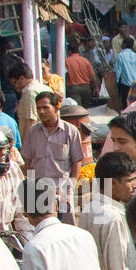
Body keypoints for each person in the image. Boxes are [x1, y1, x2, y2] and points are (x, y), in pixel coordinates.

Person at [81, 150, 136, 270]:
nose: (135, 185)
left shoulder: (89, 209)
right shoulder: (113, 217)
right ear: (113, 183)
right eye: (130, 181)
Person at [22, 89, 84, 222]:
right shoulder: (32, 132)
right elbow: (28, 161)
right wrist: (30, 186)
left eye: (45, 107)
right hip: (38, 191)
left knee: (65, 229)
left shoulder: (70, 131)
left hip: (61, 190)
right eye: (38, 108)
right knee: (40, 229)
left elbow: (77, 161)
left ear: (56, 108)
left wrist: (70, 186)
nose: (41, 112)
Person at [8, 62, 52, 146]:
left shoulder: (29, 92)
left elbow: (31, 121)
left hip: (36, 143)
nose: (14, 86)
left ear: (21, 79)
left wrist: (26, 147)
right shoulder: (46, 89)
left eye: (14, 82)